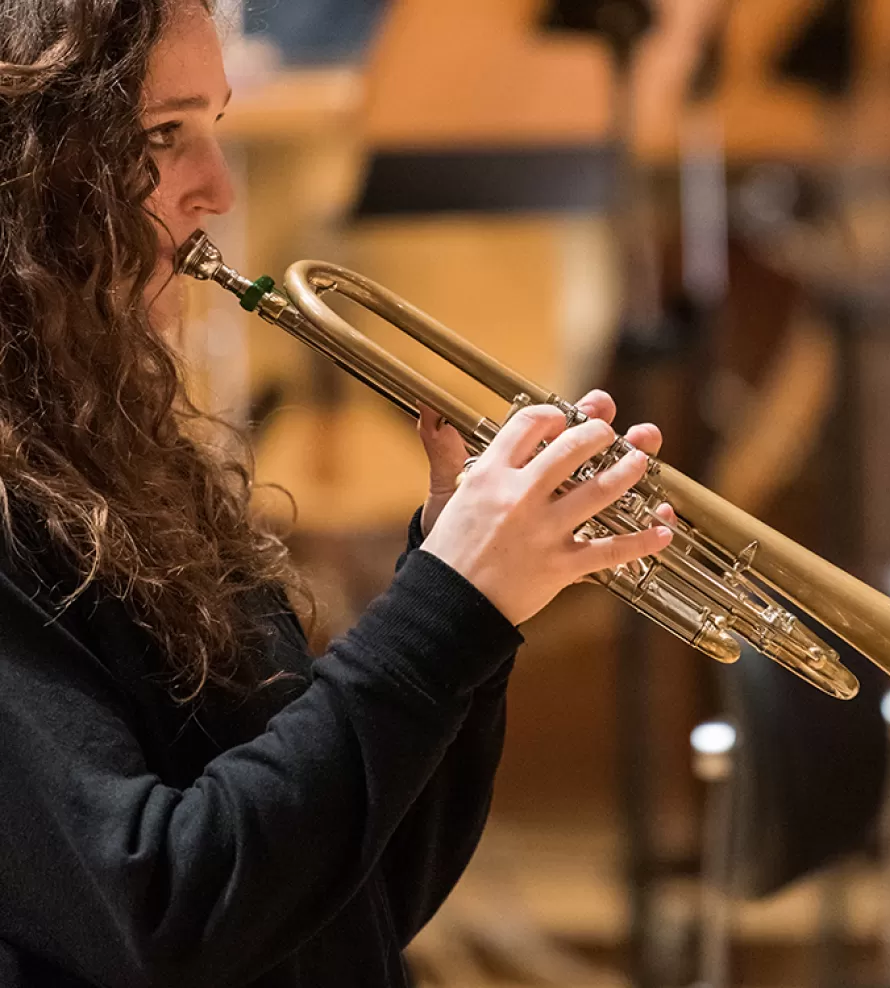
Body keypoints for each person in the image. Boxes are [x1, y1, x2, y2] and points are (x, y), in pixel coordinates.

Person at [0, 1, 675, 985]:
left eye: (212, 126)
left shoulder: (125, 449)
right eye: (163, 136)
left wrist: (466, 610)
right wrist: (445, 608)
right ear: (27, 161)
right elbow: (161, 911)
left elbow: (350, 898)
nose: (218, 187)